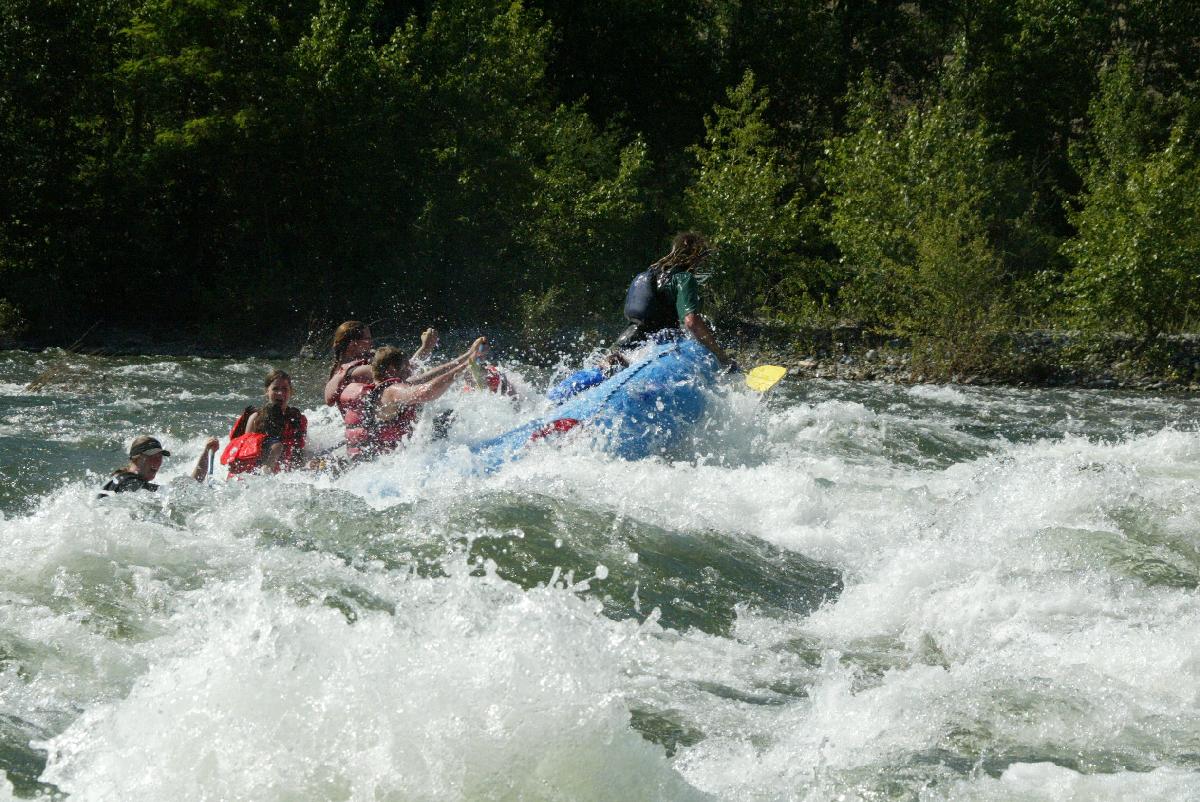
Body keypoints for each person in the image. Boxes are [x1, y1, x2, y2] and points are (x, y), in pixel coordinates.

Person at [343, 338, 486, 459]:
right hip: (388, 464)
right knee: (446, 418)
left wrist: (468, 355)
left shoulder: (379, 388)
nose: (410, 371)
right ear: (392, 369)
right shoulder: (392, 391)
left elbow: (430, 376)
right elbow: (426, 392)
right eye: (406, 368)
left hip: (374, 460)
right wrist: (466, 366)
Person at [616, 231, 737, 369]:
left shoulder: (649, 275)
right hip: (653, 348)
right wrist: (721, 357)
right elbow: (691, 322)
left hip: (626, 342)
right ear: (696, 256)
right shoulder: (684, 278)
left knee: (609, 364)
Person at [323, 321, 440, 412]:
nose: (371, 342)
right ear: (353, 344)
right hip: (380, 431)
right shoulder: (360, 371)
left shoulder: (341, 369)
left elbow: (403, 370)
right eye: (367, 339)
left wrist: (426, 347)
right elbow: (405, 374)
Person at [222, 369, 308, 476]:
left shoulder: (298, 419)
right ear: (267, 391)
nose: (280, 393)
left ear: (291, 391)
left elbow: (298, 453)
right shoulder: (256, 418)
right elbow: (246, 453)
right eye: (275, 389)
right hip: (258, 472)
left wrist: (307, 468)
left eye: (285, 389)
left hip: (285, 474)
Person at [100, 435, 219, 494]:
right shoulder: (129, 482)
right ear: (137, 458)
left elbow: (192, 483)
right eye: (152, 457)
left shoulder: (121, 479)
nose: (158, 462)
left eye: (160, 457)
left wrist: (206, 451)